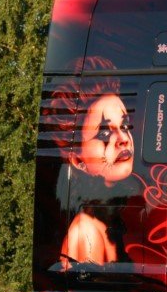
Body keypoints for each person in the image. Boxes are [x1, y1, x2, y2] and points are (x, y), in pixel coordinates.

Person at [44, 57, 135, 269]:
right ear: (78, 160)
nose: (123, 138)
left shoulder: (118, 215)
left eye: (125, 125)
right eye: (104, 133)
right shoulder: (85, 232)